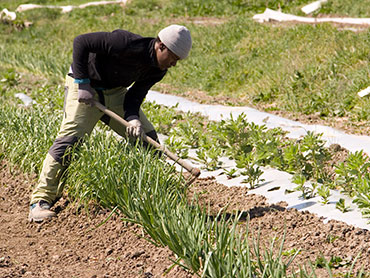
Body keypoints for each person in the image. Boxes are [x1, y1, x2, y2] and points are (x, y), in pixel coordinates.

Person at [28, 24, 192, 222]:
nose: (173, 64)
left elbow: (135, 95)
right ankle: (40, 201)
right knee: (69, 142)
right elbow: (81, 41)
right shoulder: (124, 43)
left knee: (148, 141)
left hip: (115, 92)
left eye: (177, 61)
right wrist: (82, 83)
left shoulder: (158, 70)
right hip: (85, 86)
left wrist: (133, 118)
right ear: (161, 46)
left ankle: (145, 195)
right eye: (173, 58)